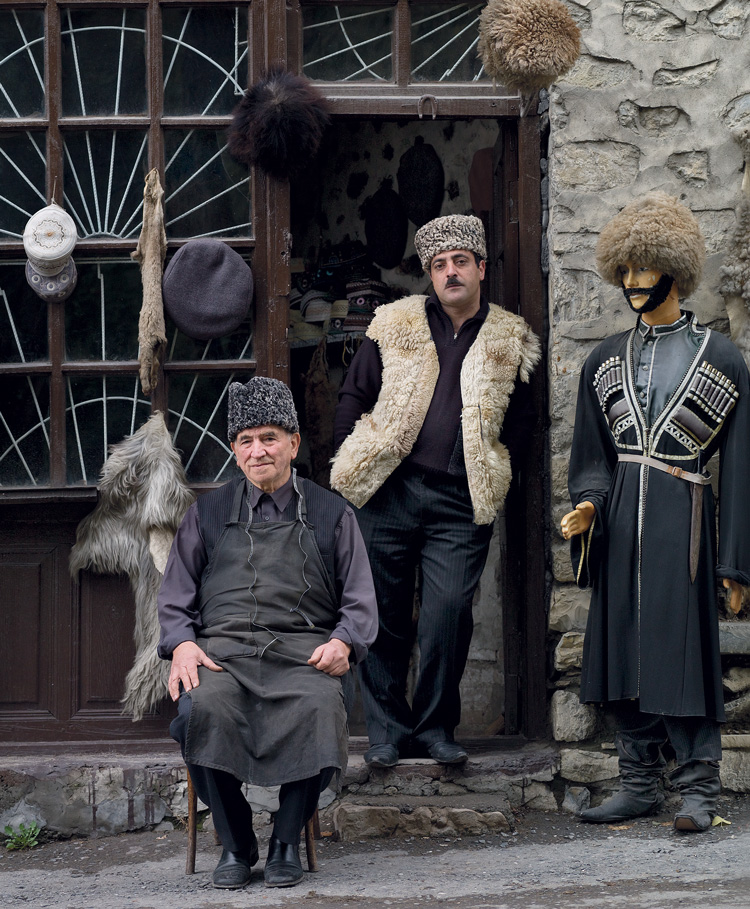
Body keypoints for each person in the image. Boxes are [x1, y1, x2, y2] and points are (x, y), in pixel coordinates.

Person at [561, 192, 750, 832]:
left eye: (646, 267)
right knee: (622, 649)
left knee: (684, 649)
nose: (634, 281)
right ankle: (638, 783)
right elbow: (591, 454)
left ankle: (699, 790)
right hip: (619, 524)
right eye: (626, 269)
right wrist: (590, 505)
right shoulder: (603, 360)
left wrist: (734, 564)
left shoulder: (721, 358)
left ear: (675, 270)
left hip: (683, 517)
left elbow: (741, 467)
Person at [331, 214, 540, 768]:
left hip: (458, 499)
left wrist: (498, 468)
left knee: (447, 615)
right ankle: (387, 732)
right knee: (382, 616)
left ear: (481, 269)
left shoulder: (510, 337)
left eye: (460, 262)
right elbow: (354, 394)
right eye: (440, 264)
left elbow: (522, 420)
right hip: (387, 492)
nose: (450, 273)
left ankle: (434, 729)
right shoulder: (394, 322)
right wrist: (350, 460)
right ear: (430, 272)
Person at [158, 377, 377, 889]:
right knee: (198, 710)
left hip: (304, 656)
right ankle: (237, 841)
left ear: (293, 444)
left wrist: (344, 641)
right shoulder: (206, 514)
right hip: (223, 658)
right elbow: (174, 598)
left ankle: (285, 840)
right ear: (235, 451)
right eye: (246, 440)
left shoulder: (331, 512)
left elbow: (360, 600)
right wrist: (183, 644)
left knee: (320, 707)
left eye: (270, 438)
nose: (258, 451)